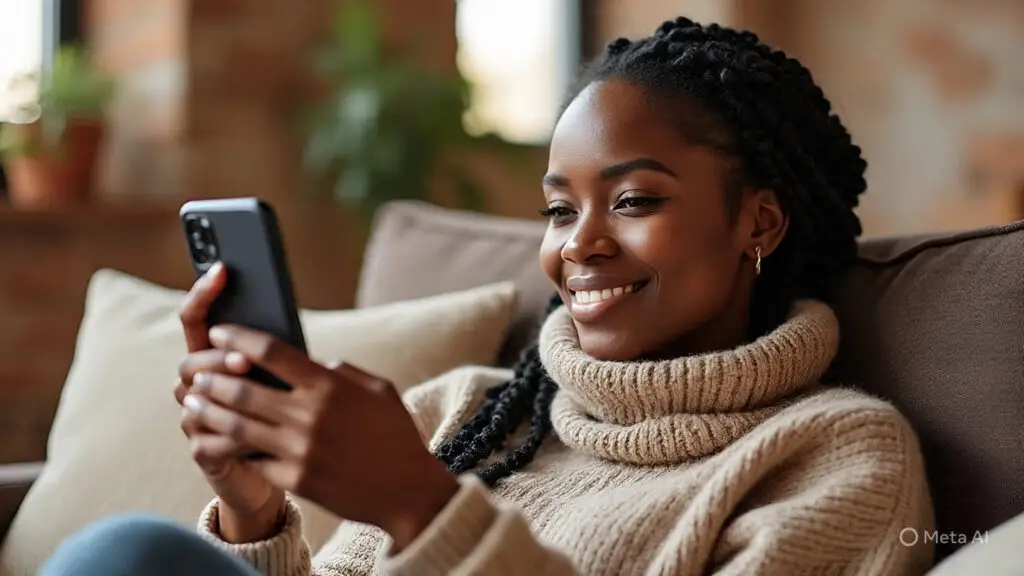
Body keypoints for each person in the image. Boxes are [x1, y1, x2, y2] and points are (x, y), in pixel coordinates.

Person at [42, 17, 935, 576]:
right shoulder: (469, 413)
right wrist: (252, 509)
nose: (579, 243)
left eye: (633, 200)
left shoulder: (835, 458)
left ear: (760, 223)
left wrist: (423, 512)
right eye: (557, 208)